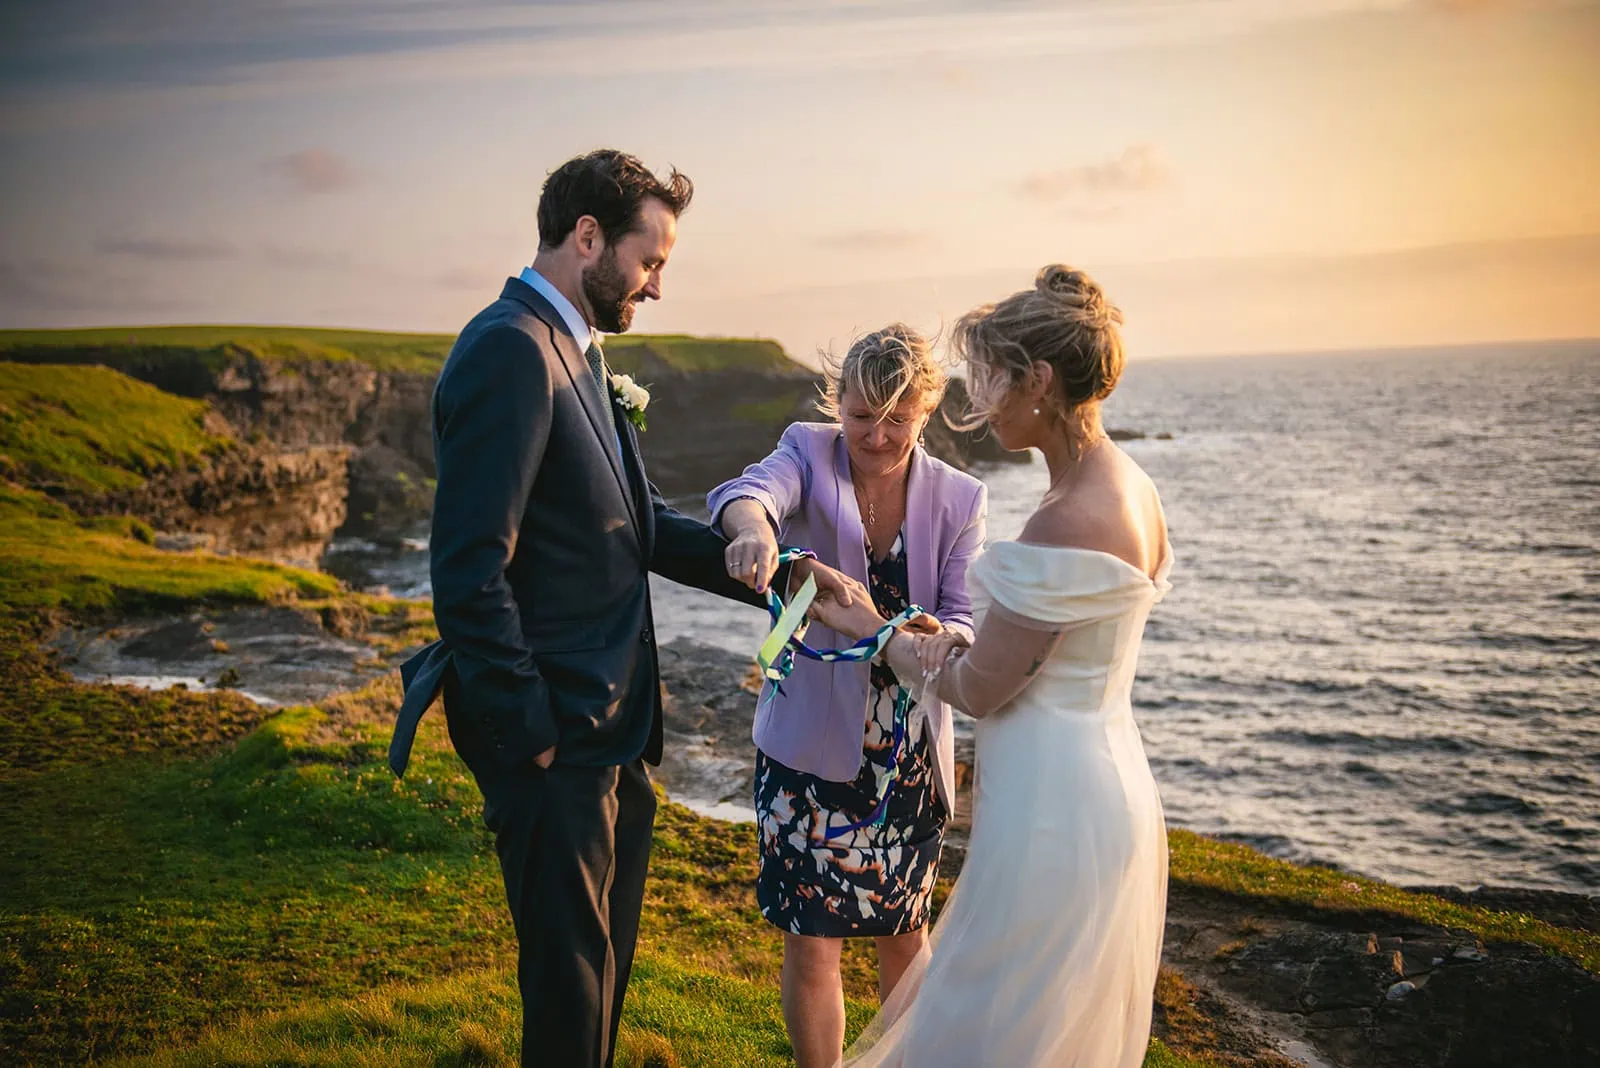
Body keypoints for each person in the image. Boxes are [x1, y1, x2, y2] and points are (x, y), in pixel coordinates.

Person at [388, 149, 856, 1068]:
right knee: (568, 992)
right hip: (557, 733)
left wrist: (784, 572)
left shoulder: (579, 352)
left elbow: (641, 525)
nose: (655, 288)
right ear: (588, 236)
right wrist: (530, 731)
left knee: (600, 973)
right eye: (651, 263)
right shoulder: (509, 350)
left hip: (613, 732)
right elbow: (468, 570)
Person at [809, 265, 1173, 1067]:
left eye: (992, 374)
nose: (980, 392)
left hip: (1055, 804)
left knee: (995, 1014)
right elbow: (1040, 653)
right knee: (1045, 1018)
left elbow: (975, 690)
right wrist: (951, 642)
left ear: (1038, 381)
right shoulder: (1130, 486)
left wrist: (875, 628)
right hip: (1102, 777)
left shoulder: (1068, 517)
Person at [707, 325, 987, 1068]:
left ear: (927, 412)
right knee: (812, 942)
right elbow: (749, 493)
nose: (878, 434)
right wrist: (756, 537)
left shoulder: (962, 498)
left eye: (899, 419)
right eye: (862, 415)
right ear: (837, 404)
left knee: (905, 934)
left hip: (907, 763)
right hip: (807, 751)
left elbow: (963, 619)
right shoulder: (806, 448)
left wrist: (935, 633)